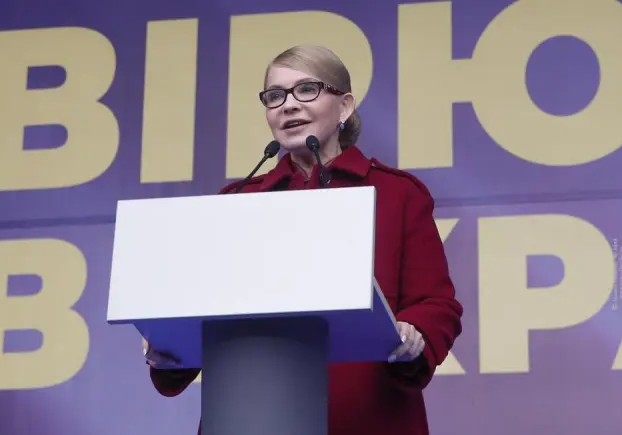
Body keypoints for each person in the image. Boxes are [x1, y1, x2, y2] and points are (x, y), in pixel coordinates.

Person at [142, 44, 463, 435]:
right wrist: (168, 348)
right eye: (275, 96)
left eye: (307, 89)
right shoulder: (237, 202)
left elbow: (437, 304)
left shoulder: (398, 194)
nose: (289, 105)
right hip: (249, 415)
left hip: (367, 418)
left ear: (344, 107)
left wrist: (415, 332)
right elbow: (200, 313)